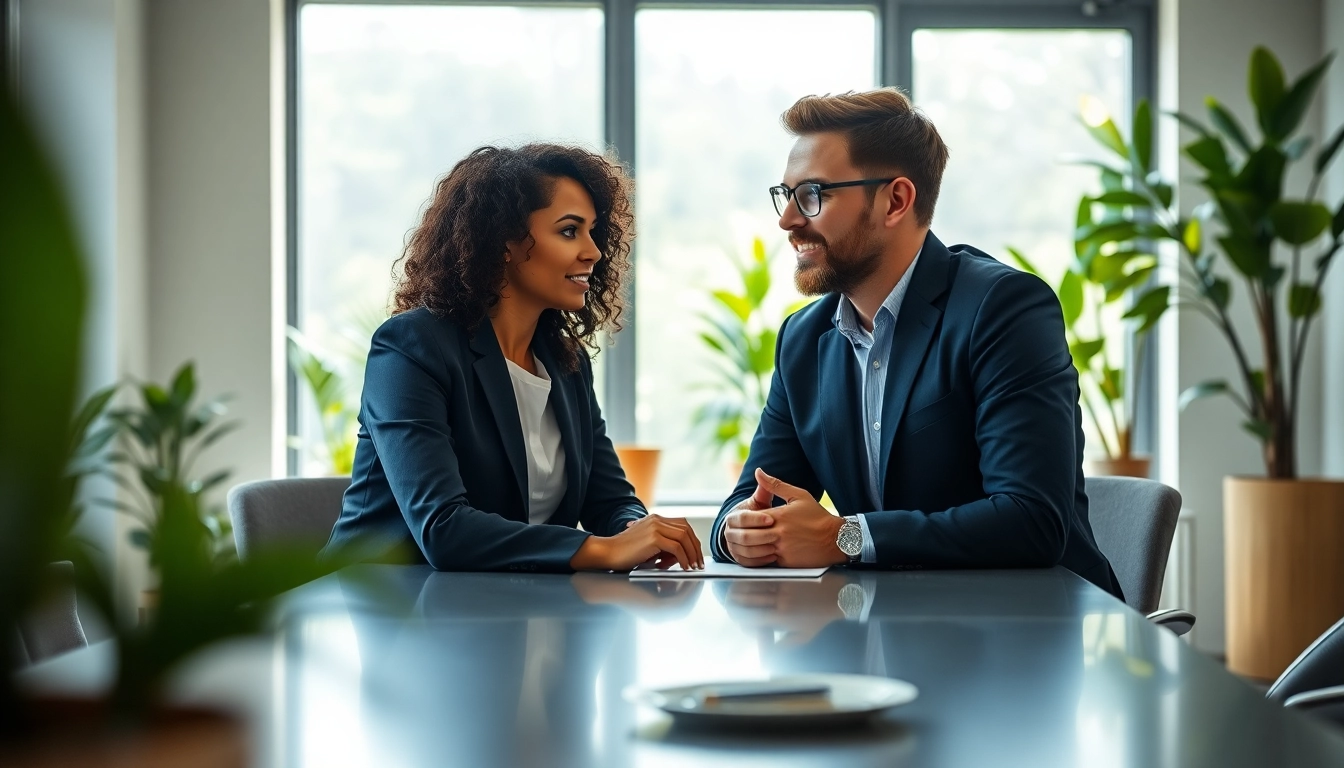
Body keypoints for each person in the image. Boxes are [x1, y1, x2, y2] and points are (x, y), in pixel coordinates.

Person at [710, 89, 1122, 598]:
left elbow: (1031, 519)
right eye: (785, 194)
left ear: (896, 201)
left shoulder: (1003, 309)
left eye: (813, 194)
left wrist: (846, 535)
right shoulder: (804, 339)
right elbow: (750, 499)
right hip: (891, 626)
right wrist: (738, 534)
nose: (788, 220)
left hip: (1032, 632)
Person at [324, 144, 703, 573]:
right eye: (568, 231)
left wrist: (641, 533)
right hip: (379, 614)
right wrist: (602, 550)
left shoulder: (565, 361)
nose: (593, 252)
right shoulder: (411, 347)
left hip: (500, 612)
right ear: (505, 242)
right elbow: (443, 528)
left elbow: (610, 501)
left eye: (593, 232)